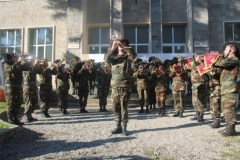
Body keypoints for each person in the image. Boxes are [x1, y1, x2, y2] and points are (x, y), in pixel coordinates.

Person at [104, 38, 137, 136]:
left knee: (124, 107)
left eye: (122, 45)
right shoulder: (113, 58)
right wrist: (113, 47)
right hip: (114, 87)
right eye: (119, 45)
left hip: (124, 86)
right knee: (115, 107)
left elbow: (133, 56)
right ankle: (117, 126)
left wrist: (123, 46)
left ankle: (124, 127)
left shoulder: (128, 56)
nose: (120, 46)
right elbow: (106, 59)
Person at [214, 43, 240, 136]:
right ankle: (228, 127)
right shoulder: (228, 60)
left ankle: (231, 129)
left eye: (226, 49)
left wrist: (215, 57)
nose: (224, 51)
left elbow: (221, 63)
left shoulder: (234, 59)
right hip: (225, 89)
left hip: (230, 88)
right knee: (225, 109)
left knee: (230, 109)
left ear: (232, 50)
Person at [3, 53, 33, 125]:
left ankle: (15, 117)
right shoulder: (6, 65)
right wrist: (19, 61)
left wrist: (27, 62)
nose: (15, 59)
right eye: (13, 58)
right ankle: (10, 118)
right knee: (11, 103)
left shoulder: (17, 65)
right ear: (9, 59)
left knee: (18, 102)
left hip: (18, 87)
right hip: (11, 87)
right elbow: (11, 69)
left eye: (15, 58)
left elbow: (27, 69)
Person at [22, 55, 42, 122]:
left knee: (33, 102)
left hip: (33, 87)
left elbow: (40, 71)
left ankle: (30, 115)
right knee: (28, 102)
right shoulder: (25, 65)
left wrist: (38, 64)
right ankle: (27, 116)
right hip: (28, 87)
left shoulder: (32, 66)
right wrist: (35, 64)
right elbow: (30, 72)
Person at [190, 53, 207, 122]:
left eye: (197, 57)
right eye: (195, 57)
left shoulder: (203, 65)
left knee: (200, 101)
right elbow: (191, 65)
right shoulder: (195, 66)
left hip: (200, 85)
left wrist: (201, 60)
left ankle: (201, 115)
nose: (196, 58)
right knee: (194, 101)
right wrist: (194, 60)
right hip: (194, 85)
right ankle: (197, 113)